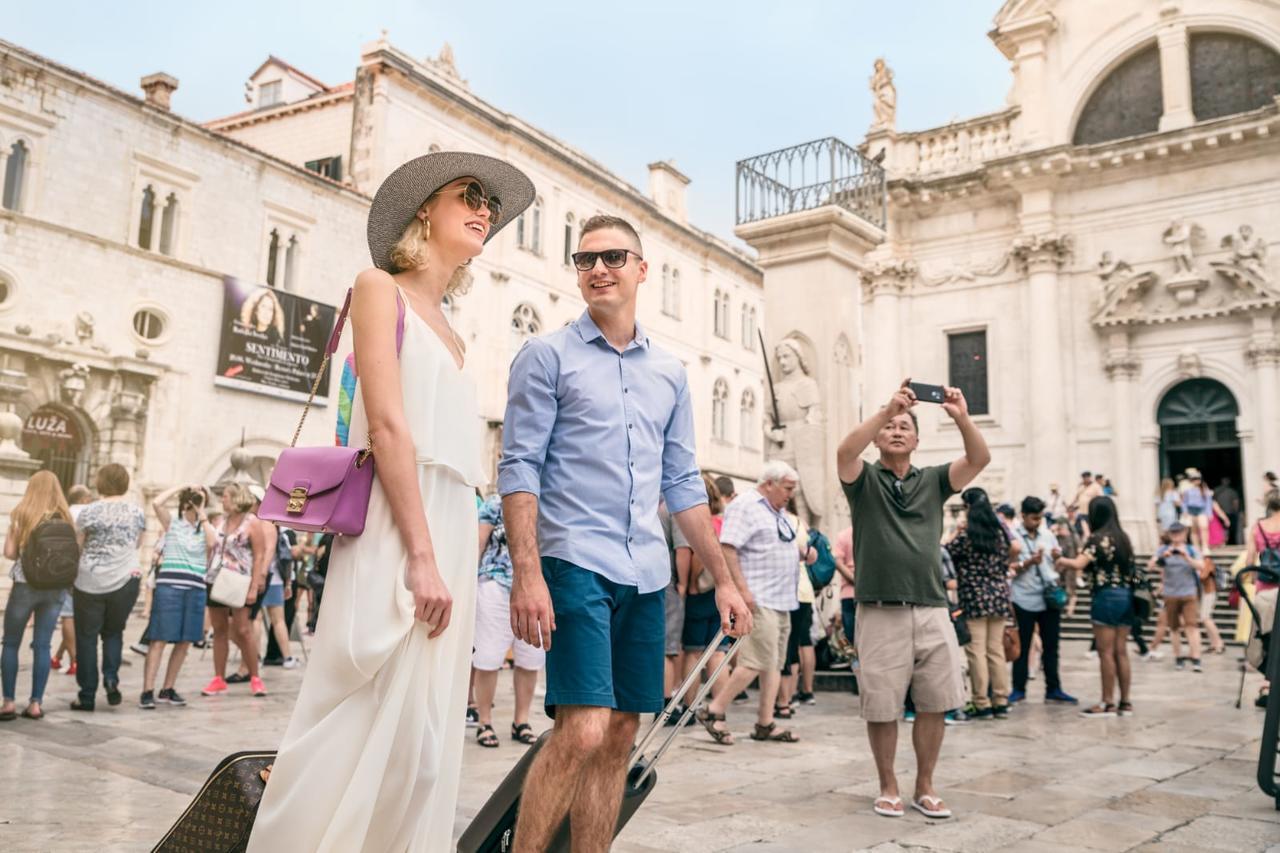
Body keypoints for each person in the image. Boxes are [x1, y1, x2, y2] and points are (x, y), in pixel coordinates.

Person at [249, 154, 534, 853]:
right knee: (361, 706)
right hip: (395, 524)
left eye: (492, 205)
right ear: (424, 211)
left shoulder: (456, 330)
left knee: (425, 738)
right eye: (470, 195)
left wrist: (454, 547)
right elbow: (387, 424)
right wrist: (422, 553)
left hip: (449, 524)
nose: (486, 210)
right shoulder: (380, 288)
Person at [500, 213, 751, 853]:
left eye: (613, 257)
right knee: (581, 730)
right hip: (572, 561)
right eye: (585, 260)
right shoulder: (545, 355)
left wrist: (724, 580)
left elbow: (685, 485)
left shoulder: (668, 372)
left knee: (618, 737)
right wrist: (526, 574)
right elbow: (519, 466)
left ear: (642, 270)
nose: (598, 269)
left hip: (646, 571)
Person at [836, 378, 990, 820]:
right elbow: (845, 452)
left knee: (935, 700)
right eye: (891, 426)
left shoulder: (935, 481)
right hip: (879, 608)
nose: (897, 430)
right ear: (880, 435)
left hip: (931, 605)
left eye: (905, 426)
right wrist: (887, 409)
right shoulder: (863, 480)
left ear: (917, 440)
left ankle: (925, 785)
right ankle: (888, 785)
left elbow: (979, 458)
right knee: (882, 704)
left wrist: (962, 418)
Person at [697, 462, 813, 744]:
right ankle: (713, 710)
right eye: (787, 488)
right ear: (769, 484)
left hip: (783, 598)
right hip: (759, 597)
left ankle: (765, 722)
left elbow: (773, 544)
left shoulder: (777, 511)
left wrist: (802, 553)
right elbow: (728, 547)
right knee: (754, 661)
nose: (790, 495)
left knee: (773, 663)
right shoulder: (746, 506)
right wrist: (742, 590)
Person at [70, 464, 145, 712]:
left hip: (89, 581)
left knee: (87, 638)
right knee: (114, 633)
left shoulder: (88, 512)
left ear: (101, 482)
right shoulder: (137, 512)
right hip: (125, 580)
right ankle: (111, 679)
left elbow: (77, 547)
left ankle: (87, 694)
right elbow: (137, 544)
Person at [471, 492, 544, 748]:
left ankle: (521, 721)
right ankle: (484, 722)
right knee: (488, 658)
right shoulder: (495, 502)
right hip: (495, 585)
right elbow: (479, 542)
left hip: (536, 589)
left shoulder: (548, 501)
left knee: (530, 658)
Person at [2, 471, 75, 721]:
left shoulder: (21, 515)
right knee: (43, 645)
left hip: (25, 585)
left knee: (11, 642)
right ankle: (35, 704)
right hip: (55, 587)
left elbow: (9, 553)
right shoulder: (66, 517)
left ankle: (9, 702)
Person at [140, 485, 216, 709]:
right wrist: (183, 486)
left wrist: (202, 513)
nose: (197, 503)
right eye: (194, 501)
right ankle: (147, 690)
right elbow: (157, 503)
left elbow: (212, 544)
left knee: (184, 642)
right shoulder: (172, 524)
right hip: (170, 587)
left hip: (195, 589)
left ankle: (168, 688)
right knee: (159, 639)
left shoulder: (206, 528)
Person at [1059, 496, 1136, 717]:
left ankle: (1107, 702)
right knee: (1122, 651)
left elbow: (1079, 564)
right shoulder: (1124, 538)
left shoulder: (1096, 539)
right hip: (1126, 596)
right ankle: (1126, 702)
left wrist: (1062, 560)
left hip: (1105, 597)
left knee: (1106, 652)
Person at [946, 488, 1016, 720]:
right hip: (998, 596)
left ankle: (981, 702)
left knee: (976, 651)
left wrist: (956, 532)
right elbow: (1013, 551)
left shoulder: (967, 538)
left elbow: (946, 552)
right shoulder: (1000, 536)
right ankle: (1001, 700)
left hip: (975, 597)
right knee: (995, 650)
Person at [201, 484, 269, 699]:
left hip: (239, 580)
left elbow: (259, 555)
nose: (222, 499)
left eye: (226, 496)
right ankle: (218, 678)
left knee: (242, 629)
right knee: (219, 629)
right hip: (215, 578)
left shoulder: (252, 523)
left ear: (237, 498)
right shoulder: (221, 521)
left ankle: (255, 677)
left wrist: (254, 586)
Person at [1009, 496, 1077, 706]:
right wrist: (1029, 562)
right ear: (1023, 516)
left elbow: (1056, 567)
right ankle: (1018, 689)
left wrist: (1058, 558)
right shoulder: (1013, 537)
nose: (1037, 522)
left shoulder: (1048, 536)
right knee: (1023, 644)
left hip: (1048, 597)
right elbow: (1009, 567)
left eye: (1039, 518)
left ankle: (1053, 688)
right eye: (1033, 518)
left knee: (1051, 645)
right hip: (1024, 596)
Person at [678, 474, 730, 702]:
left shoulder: (700, 523)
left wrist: (690, 585)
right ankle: (719, 708)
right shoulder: (723, 521)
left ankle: (688, 706)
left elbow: (699, 556)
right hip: (719, 592)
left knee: (694, 651)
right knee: (718, 652)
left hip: (700, 593)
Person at [1148, 522, 1210, 672]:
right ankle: (1178, 657)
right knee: (1174, 628)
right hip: (1170, 594)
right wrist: (1163, 557)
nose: (1176, 536)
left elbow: (1202, 567)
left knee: (1192, 627)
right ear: (1169, 535)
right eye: (1173, 533)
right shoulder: (1163, 549)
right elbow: (1150, 565)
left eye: (1179, 533)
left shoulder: (1191, 549)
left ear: (1185, 533)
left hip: (1189, 593)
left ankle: (1196, 657)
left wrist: (1187, 558)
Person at [52, 483, 93, 676]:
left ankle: (59, 657)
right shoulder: (90, 513)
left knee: (68, 614)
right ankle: (75, 660)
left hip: (67, 568)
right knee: (71, 615)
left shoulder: (64, 513)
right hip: (88, 570)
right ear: (84, 499)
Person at [1244, 491, 1280, 708]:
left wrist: (1252, 579)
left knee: (1267, 639)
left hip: (1265, 591)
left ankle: (1268, 684)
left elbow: (1249, 560)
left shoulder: (1258, 527)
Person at [1181, 469, 1213, 551]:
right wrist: (1184, 511)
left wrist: (1209, 513)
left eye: (1197, 479)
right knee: (1193, 530)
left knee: (1204, 527)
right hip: (1191, 511)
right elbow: (1184, 502)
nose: (1196, 481)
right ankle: (1196, 547)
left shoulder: (1204, 489)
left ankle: (1205, 546)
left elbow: (1208, 502)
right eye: (1194, 479)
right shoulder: (1187, 490)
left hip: (1201, 510)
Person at [1215, 477, 1242, 546]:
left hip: (1223, 512)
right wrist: (1236, 511)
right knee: (1228, 528)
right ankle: (1225, 542)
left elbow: (1236, 503)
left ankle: (1224, 542)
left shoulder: (1217, 491)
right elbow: (1236, 503)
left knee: (1223, 528)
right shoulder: (1232, 491)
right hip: (1227, 512)